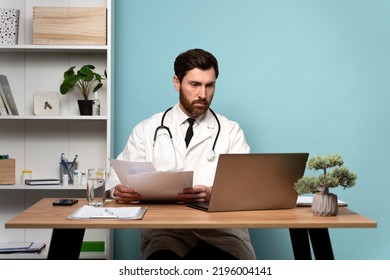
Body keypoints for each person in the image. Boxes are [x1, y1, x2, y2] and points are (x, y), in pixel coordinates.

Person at [106, 48, 256, 260]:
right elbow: (115, 178)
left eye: (209, 85)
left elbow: (248, 188)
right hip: (166, 231)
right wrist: (118, 190)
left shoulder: (231, 131)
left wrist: (214, 194)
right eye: (194, 85)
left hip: (221, 233)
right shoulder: (147, 129)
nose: (202, 94)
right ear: (177, 82)